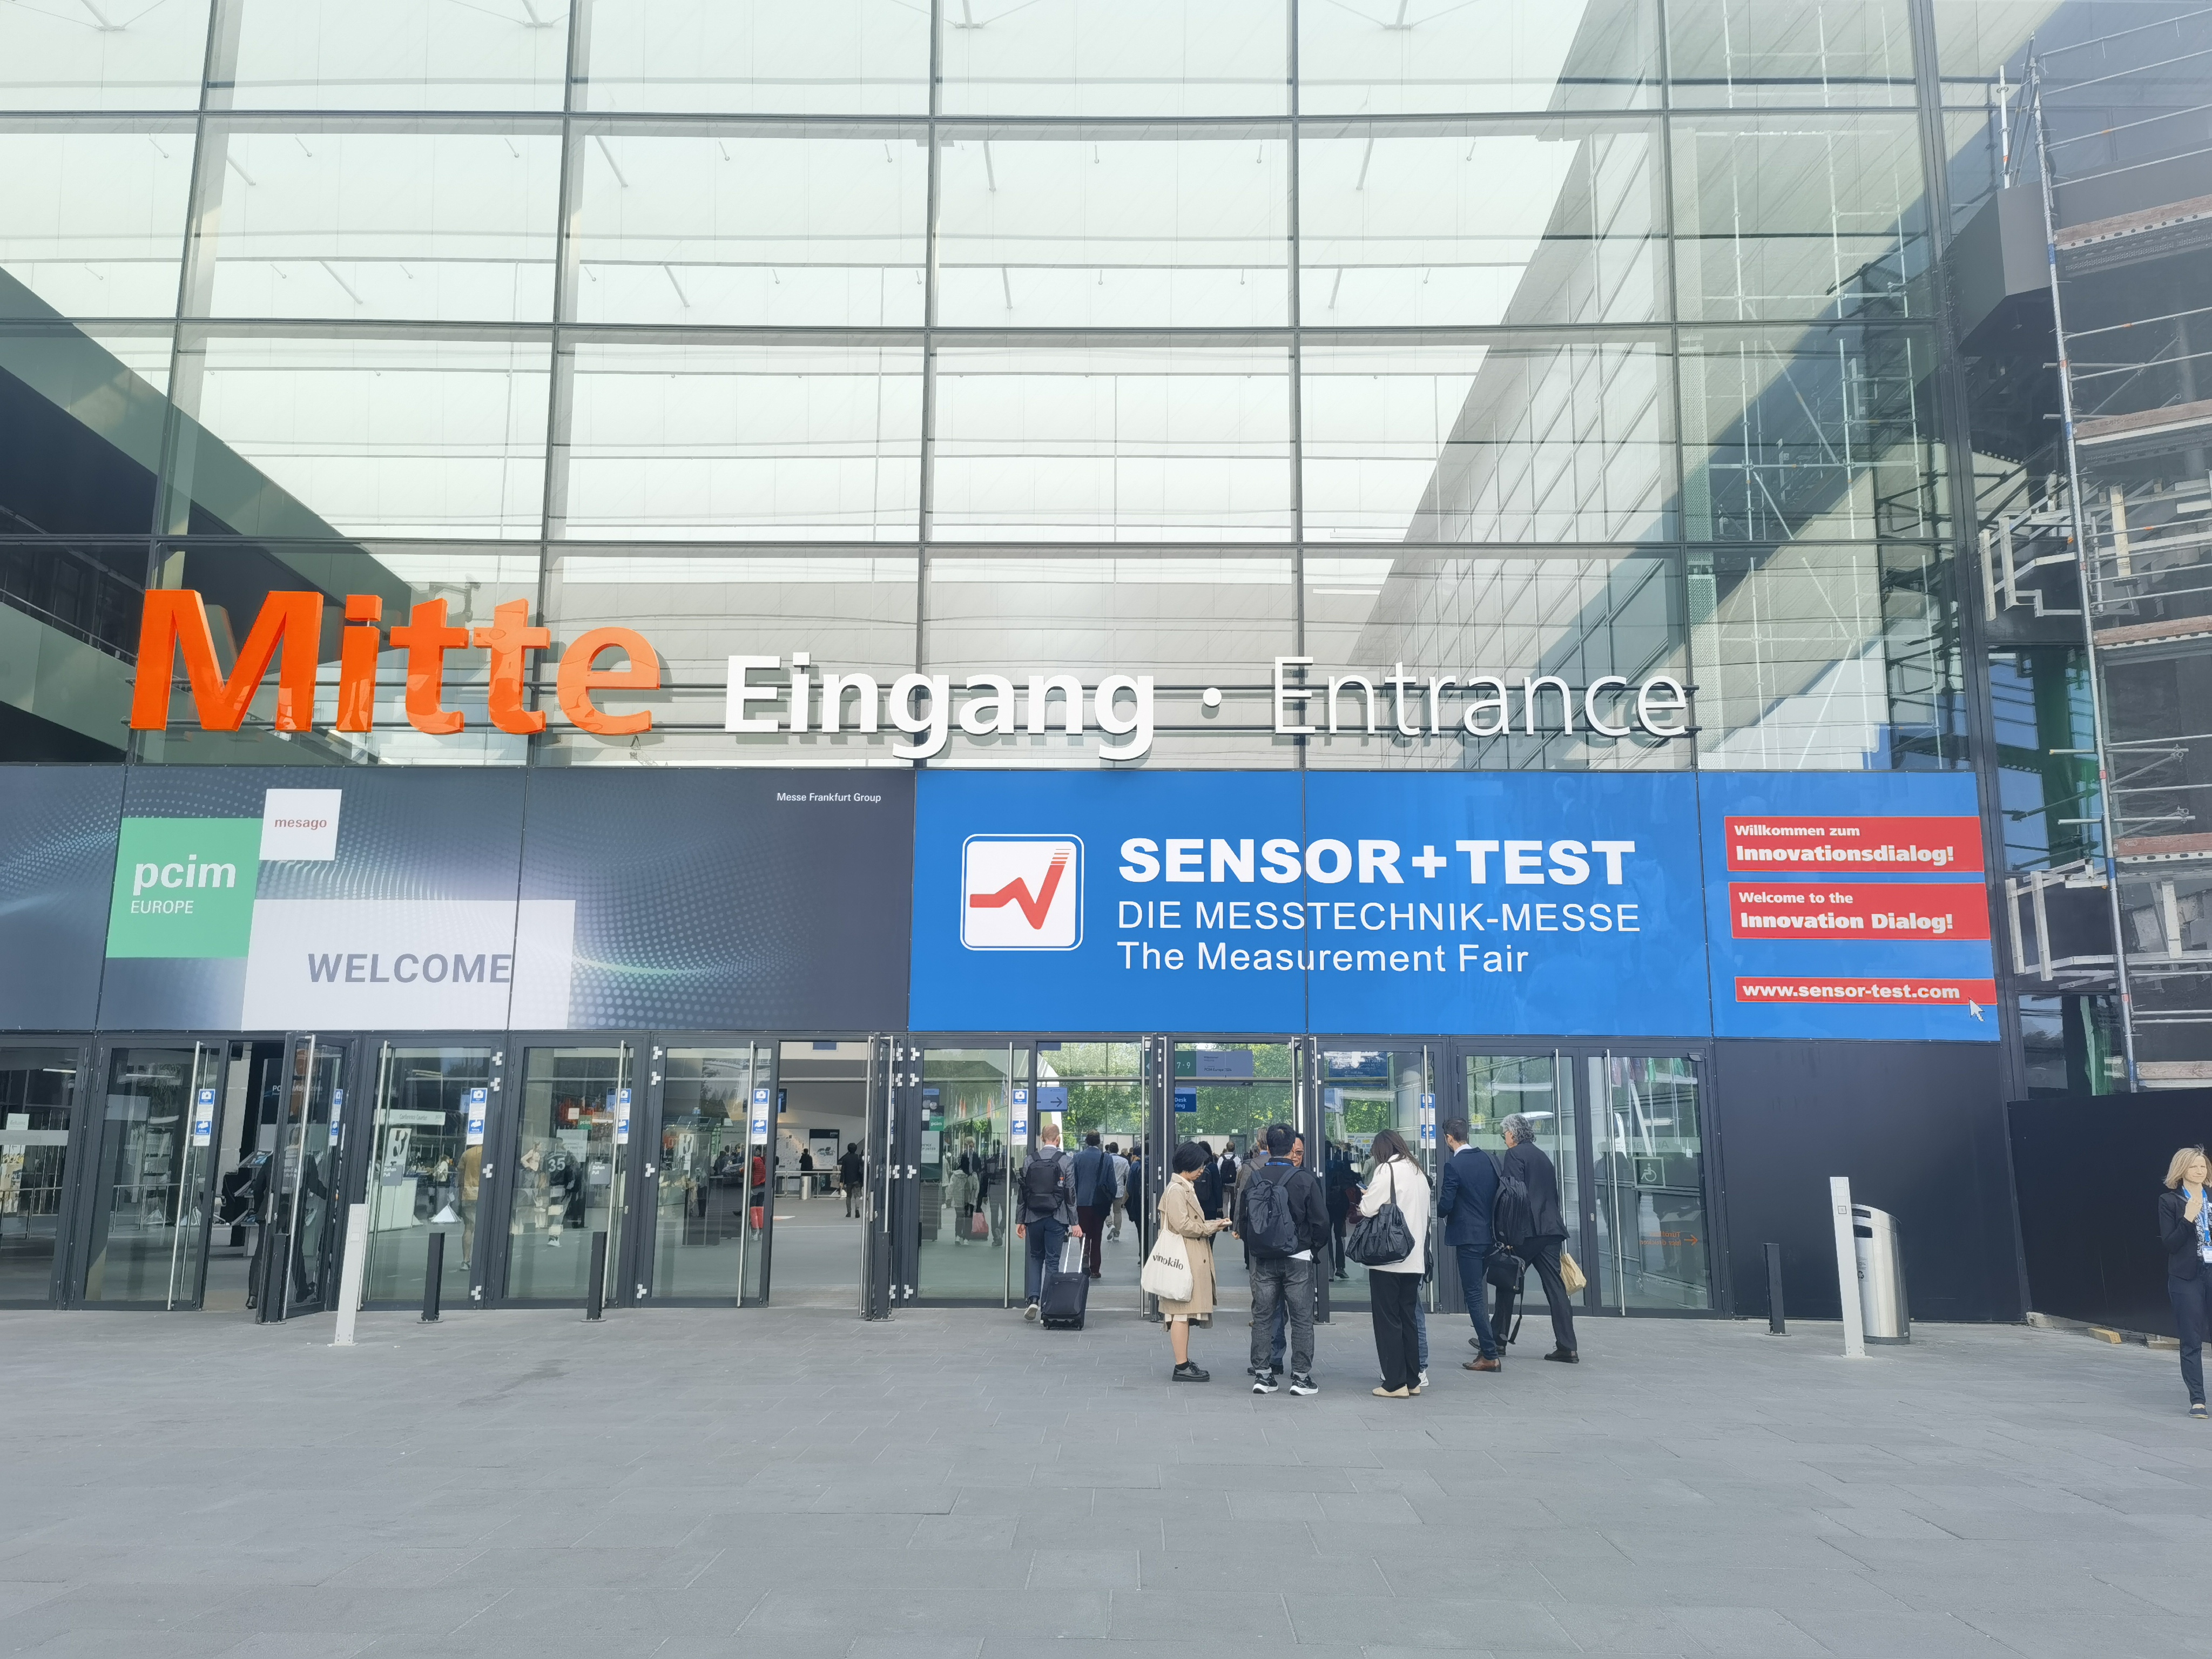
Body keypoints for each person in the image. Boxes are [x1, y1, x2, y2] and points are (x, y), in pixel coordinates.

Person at [1237, 1123, 1326, 1397]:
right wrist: (1311, 1247)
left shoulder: (1256, 1177)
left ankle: (1263, 1376)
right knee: (1302, 1319)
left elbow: (1244, 1218)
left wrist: (1256, 1247)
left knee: (1263, 1317)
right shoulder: (1305, 1179)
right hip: (1298, 1257)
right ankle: (1301, 1378)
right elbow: (1321, 1223)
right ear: (1292, 1148)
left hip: (1264, 1258)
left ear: (1268, 1147)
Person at [1495, 1114, 1578, 1363]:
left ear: (1512, 1134)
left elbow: (1513, 1195)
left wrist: (1507, 1233)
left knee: (1507, 1280)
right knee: (1556, 1288)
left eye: (1504, 1134)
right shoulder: (1543, 1157)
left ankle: (1497, 1340)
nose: (1504, 1138)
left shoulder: (1514, 1155)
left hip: (1527, 1232)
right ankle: (1568, 1346)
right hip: (1551, 1230)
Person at [1354, 1129, 1430, 1397]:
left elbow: (1367, 1208)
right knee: (1408, 1318)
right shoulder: (1419, 1171)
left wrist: (1366, 1195)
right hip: (1415, 1258)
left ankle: (1395, 1383)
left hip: (1389, 1259)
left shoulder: (1387, 1170)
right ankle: (1412, 1379)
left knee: (1387, 1320)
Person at [1157, 1141, 1234, 1380]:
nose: (1202, 1170)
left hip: (1186, 1256)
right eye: (1200, 1166)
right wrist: (1210, 1227)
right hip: (1183, 1259)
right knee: (1180, 1314)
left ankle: (1184, 1362)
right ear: (1188, 1165)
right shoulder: (1177, 1190)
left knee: (1183, 1313)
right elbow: (1183, 1225)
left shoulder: (1183, 1188)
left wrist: (1213, 1224)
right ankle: (1181, 1366)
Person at [1437, 1116, 1503, 1372]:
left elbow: (1445, 1205)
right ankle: (1487, 1350)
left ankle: (1490, 1354)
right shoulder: (1488, 1159)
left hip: (1468, 1239)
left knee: (1474, 1296)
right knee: (1479, 1293)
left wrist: (1440, 1210)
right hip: (1491, 1237)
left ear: (1449, 1138)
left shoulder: (1454, 1165)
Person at [2160, 1145, 2212, 1418]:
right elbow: (2171, 1244)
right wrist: (2189, 1218)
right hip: (2187, 1277)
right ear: (2182, 1170)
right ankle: (2198, 1400)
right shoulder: (2170, 1201)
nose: (2200, 1171)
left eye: (2203, 1166)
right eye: (2194, 1166)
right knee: (2192, 1339)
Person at [1015, 1123, 1080, 1319]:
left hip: (1033, 1217)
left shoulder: (1030, 1160)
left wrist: (1020, 1220)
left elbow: (1023, 1193)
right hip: (1056, 1218)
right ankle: (1047, 1303)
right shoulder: (1066, 1161)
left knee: (1036, 1257)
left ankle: (1033, 1299)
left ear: (1042, 1139)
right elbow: (1070, 1194)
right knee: (1052, 1261)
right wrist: (1075, 1222)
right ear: (1058, 1139)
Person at [1072, 1131, 1113, 1278]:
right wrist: (1110, 1199)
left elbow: (1073, 1181)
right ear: (1099, 1142)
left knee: (1083, 1234)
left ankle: (1084, 1261)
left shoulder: (1077, 1158)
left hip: (1082, 1202)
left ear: (1086, 1142)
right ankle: (1095, 1268)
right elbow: (1112, 1183)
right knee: (1097, 1236)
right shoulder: (1106, 1158)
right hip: (1099, 1203)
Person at [1324, 1143, 1355, 1280]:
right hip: (1340, 1204)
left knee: (1327, 1237)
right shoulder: (1341, 1164)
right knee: (1339, 1236)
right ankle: (1340, 1267)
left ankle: (1330, 1269)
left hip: (1326, 1204)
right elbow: (1351, 1180)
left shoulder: (1321, 1165)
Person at [1107, 1142, 1130, 1240]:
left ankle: (1110, 1225)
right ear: (1118, 1150)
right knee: (1117, 1212)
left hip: (1107, 1190)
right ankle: (1117, 1233)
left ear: (1109, 1150)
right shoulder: (1124, 1161)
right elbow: (1129, 1174)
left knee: (1105, 1210)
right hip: (1119, 1190)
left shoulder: (1106, 1160)